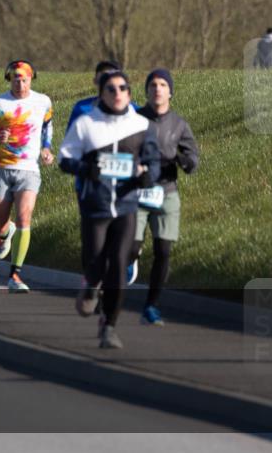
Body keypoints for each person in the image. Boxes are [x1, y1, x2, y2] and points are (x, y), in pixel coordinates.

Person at [59, 71, 160, 349]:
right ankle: (91, 284)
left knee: (118, 263)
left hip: (126, 205)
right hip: (96, 204)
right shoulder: (86, 123)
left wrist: (147, 176)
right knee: (94, 260)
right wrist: (86, 169)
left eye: (122, 88)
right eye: (111, 89)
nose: (117, 93)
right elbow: (65, 158)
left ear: (129, 93)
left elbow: (153, 162)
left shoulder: (141, 124)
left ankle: (109, 326)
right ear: (102, 93)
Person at [130, 69, 199, 325]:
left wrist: (182, 160)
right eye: (153, 85)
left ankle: (151, 306)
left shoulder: (179, 124)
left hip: (167, 192)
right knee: (131, 248)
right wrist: (135, 167)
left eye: (162, 85)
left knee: (164, 250)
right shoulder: (135, 120)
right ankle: (126, 264)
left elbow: (193, 160)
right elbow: (122, 151)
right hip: (137, 192)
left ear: (170, 91)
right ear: (146, 91)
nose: (157, 89)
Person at [0, 60, 55, 293]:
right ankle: (4, 234)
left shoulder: (42, 101)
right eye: (15, 79)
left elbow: (47, 126)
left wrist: (47, 148)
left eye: (24, 79)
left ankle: (15, 274)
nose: (20, 83)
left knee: (25, 218)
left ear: (31, 79)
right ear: (9, 79)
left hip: (29, 170)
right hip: (1, 169)